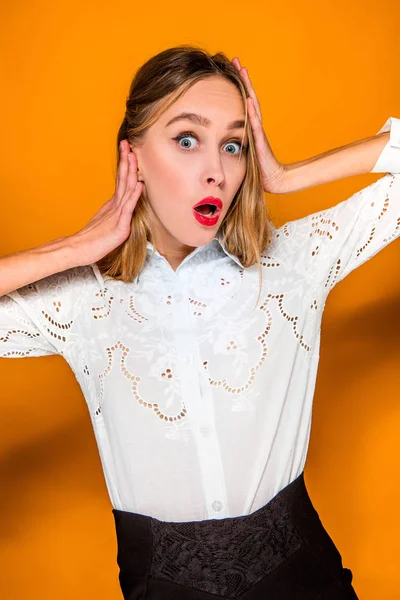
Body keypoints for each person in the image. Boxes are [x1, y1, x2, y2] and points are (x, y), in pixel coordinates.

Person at [0, 45, 398, 599]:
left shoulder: (294, 264)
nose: (216, 171)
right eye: (187, 140)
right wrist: (75, 249)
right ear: (132, 155)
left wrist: (286, 176)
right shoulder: (82, 303)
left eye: (233, 146)